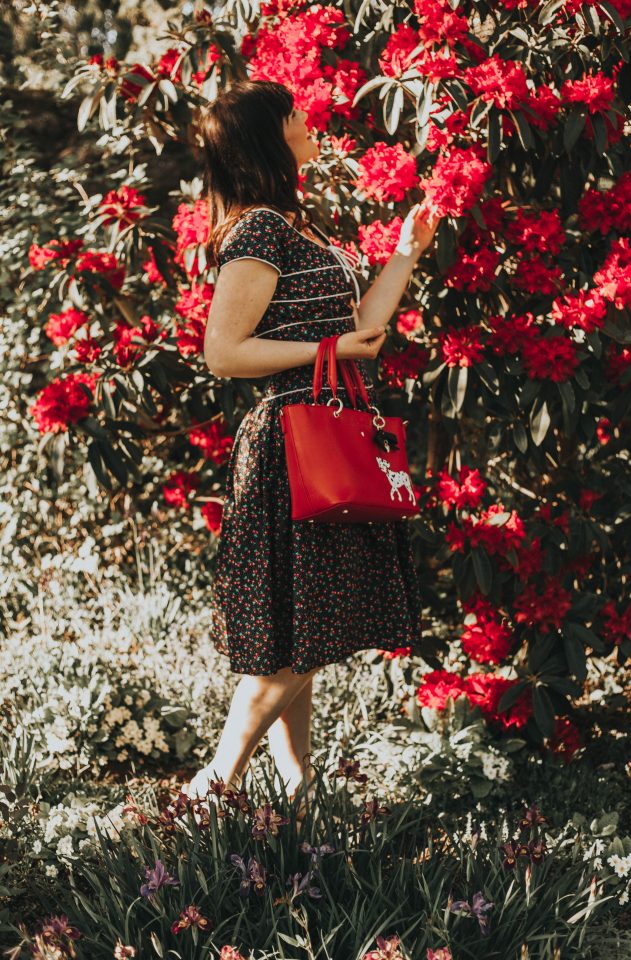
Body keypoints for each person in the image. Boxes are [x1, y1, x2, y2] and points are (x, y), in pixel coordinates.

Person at [182, 80, 439, 810]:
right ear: (272, 135)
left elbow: (358, 331)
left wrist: (404, 256)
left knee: (309, 619)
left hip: (323, 424)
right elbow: (223, 353)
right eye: (294, 114)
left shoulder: (290, 227)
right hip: (297, 440)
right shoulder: (260, 231)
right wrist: (324, 347)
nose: (307, 120)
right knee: (304, 632)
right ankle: (213, 786)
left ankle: (298, 794)